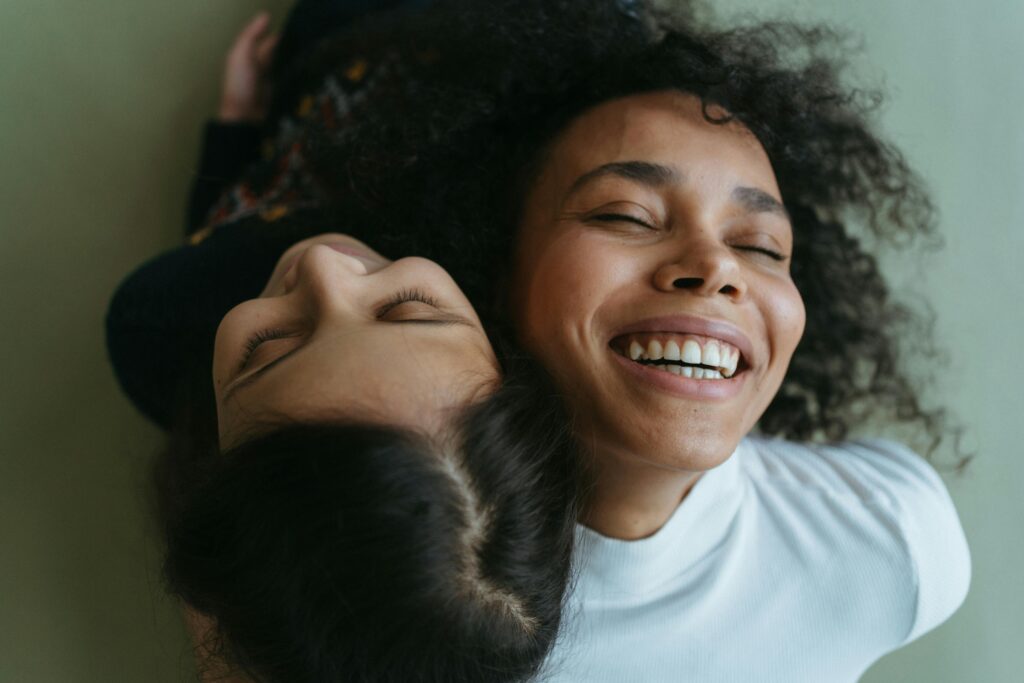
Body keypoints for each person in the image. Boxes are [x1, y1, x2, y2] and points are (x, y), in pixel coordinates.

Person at [266, 0, 970, 680]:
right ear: (495, 271)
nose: (717, 266)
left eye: (760, 244)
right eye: (628, 216)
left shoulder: (895, 536)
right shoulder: (379, 585)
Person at [105, 6, 582, 682]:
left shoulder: (167, 319)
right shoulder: (505, 199)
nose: (323, 266)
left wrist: (236, 123)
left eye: (268, 347)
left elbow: (215, 234)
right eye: (408, 308)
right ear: (505, 355)